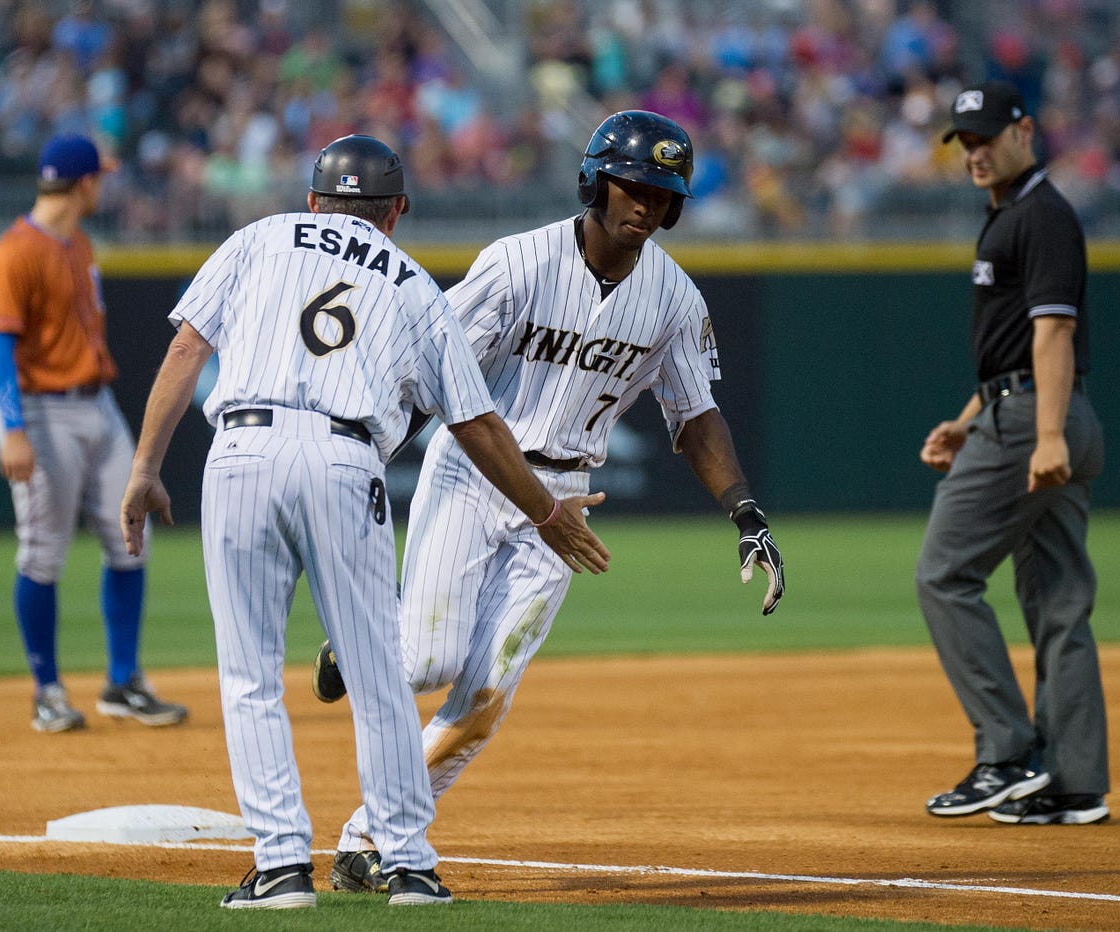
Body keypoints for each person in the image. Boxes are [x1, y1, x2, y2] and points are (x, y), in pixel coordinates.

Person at [118, 134, 610, 910]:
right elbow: (477, 422)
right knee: (380, 672)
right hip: (346, 456)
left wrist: (145, 466)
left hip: (240, 449)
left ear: (315, 199)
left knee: (249, 674)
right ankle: (408, 864)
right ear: (398, 211)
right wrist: (545, 510)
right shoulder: (412, 282)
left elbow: (186, 348)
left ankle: (280, 867)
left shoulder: (259, 237)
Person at [313, 110, 785, 893]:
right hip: (476, 472)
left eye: (661, 195)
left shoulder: (673, 299)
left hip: (567, 499)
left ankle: (368, 836)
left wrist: (746, 512)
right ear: (596, 182)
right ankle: (358, 645)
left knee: (486, 698)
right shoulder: (517, 262)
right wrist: (365, 448)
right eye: (630, 185)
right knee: (427, 659)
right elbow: (430, 370)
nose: (643, 205)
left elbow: (696, 416)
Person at [917, 80, 1109, 825]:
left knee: (943, 574)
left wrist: (1049, 431)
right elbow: (1013, 354)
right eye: (964, 141)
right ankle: (1072, 781)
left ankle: (1005, 752)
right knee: (1059, 600)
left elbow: (1053, 333)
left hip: (1036, 418)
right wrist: (969, 419)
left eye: (986, 136)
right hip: (1027, 408)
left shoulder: (1040, 216)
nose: (974, 151)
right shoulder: (1015, 215)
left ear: (1024, 131)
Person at [0, 133, 187, 735]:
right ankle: (47, 690)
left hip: (97, 405)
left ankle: (123, 682)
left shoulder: (77, 241)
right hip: (41, 413)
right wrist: (12, 430)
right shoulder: (15, 252)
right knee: (42, 553)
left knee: (132, 536)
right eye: (100, 176)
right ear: (82, 184)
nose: (105, 183)